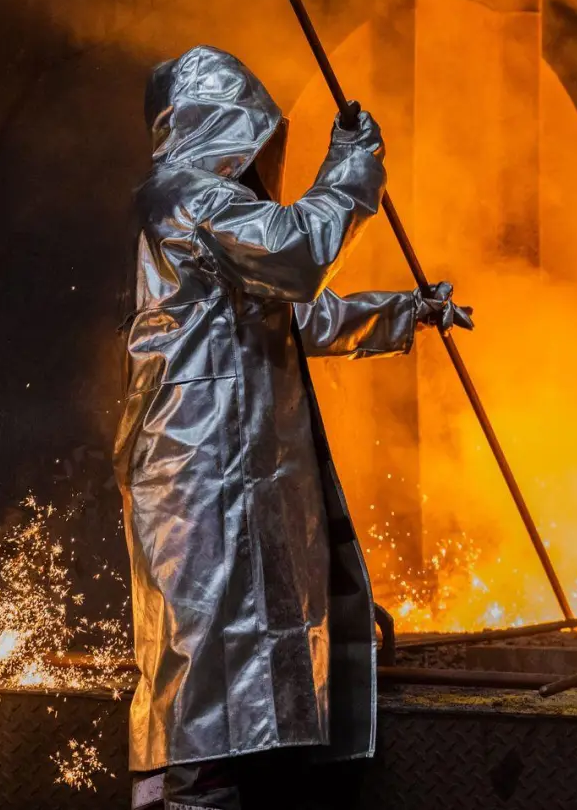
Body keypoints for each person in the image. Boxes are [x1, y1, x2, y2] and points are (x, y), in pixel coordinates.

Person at [115, 46, 472, 810]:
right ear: (221, 129)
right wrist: (353, 167)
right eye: (253, 135)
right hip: (198, 472)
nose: (261, 155)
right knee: (202, 684)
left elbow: (304, 315)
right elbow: (301, 251)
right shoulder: (184, 198)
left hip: (227, 473)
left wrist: (412, 310)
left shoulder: (212, 223)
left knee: (232, 683)